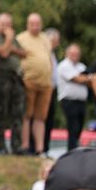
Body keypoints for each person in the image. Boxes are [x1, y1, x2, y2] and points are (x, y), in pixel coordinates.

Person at [17, 14, 56, 156]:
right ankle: (25, 146)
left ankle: (40, 149)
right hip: (29, 81)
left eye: (38, 23)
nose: (35, 26)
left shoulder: (45, 38)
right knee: (27, 115)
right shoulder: (21, 38)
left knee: (41, 117)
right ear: (27, 24)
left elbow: (49, 58)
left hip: (45, 83)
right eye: (32, 23)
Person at [0, 13, 27, 156]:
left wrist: (12, 47)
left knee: (17, 113)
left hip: (15, 78)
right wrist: (9, 40)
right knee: (1, 113)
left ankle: (16, 146)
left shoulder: (14, 39)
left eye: (8, 24)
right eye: (3, 24)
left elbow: (24, 53)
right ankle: (1, 146)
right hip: (1, 78)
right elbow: (4, 54)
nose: (6, 27)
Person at [55, 43, 90, 150]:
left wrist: (86, 79)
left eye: (77, 53)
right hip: (69, 100)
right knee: (73, 126)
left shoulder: (81, 66)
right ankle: (71, 150)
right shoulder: (64, 65)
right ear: (67, 53)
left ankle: (75, 147)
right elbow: (78, 79)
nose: (75, 55)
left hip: (81, 101)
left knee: (79, 126)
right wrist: (86, 78)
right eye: (72, 53)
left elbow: (89, 81)